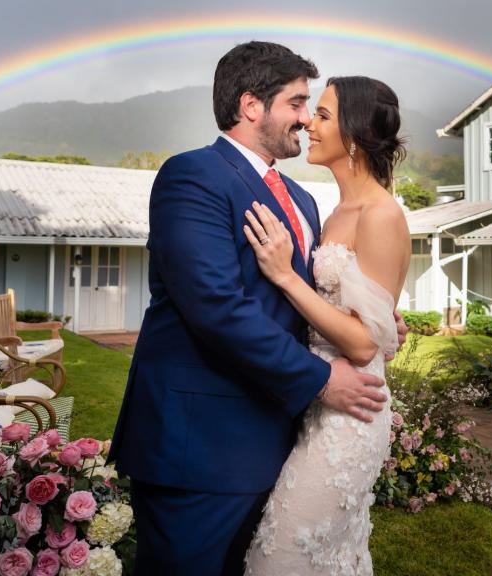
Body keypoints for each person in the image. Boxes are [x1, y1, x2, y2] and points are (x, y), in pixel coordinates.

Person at [107, 42, 406, 576]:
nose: (304, 120)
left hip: (277, 436)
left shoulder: (304, 199)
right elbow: (216, 308)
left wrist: (373, 318)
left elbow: (314, 294)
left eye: (314, 107)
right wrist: (321, 378)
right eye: (296, 103)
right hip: (200, 444)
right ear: (251, 106)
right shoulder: (193, 176)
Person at [242, 76, 410, 575]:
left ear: (354, 134)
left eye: (323, 115)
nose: (308, 125)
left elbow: (361, 345)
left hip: (351, 414)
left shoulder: (381, 214)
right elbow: (363, 316)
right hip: (316, 402)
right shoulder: (330, 212)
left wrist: (286, 276)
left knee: (283, 556)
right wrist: (385, 325)